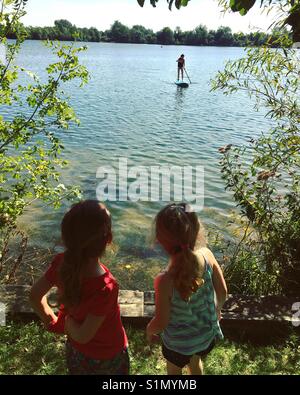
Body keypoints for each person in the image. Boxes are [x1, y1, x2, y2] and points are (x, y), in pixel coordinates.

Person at [29, 200, 129, 375]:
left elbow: (35, 295)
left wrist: (50, 320)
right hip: (108, 356)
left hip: (77, 351)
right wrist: (67, 322)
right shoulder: (106, 287)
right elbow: (84, 334)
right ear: (109, 239)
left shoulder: (61, 263)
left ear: (66, 237)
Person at [146, 202, 227, 375]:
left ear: (159, 240)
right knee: (195, 363)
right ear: (196, 232)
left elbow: (161, 322)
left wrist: (149, 330)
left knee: (174, 372)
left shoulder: (164, 281)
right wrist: (217, 310)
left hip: (177, 345)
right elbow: (223, 292)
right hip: (205, 336)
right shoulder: (207, 256)